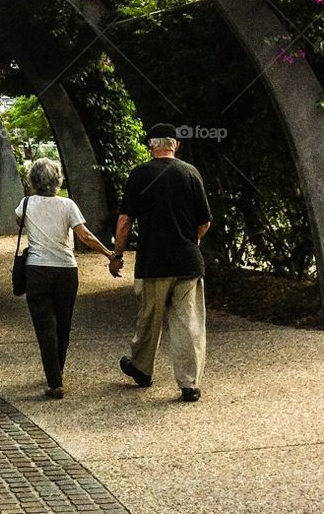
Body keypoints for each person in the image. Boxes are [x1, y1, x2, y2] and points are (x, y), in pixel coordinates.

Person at [109, 123, 212, 402]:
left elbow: (124, 221)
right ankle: (189, 384)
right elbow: (204, 222)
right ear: (175, 145)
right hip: (188, 262)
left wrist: (117, 255)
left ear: (150, 146)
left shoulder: (140, 175)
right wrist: (193, 241)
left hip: (153, 262)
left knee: (149, 319)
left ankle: (141, 368)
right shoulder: (190, 173)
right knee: (188, 322)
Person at [15, 157, 118, 399]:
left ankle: (55, 381)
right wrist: (109, 254)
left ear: (33, 181)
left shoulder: (26, 203)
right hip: (66, 269)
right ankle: (57, 370)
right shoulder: (68, 205)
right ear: (58, 180)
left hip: (37, 269)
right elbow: (86, 236)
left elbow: (19, 221)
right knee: (63, 322)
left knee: (44, 326)